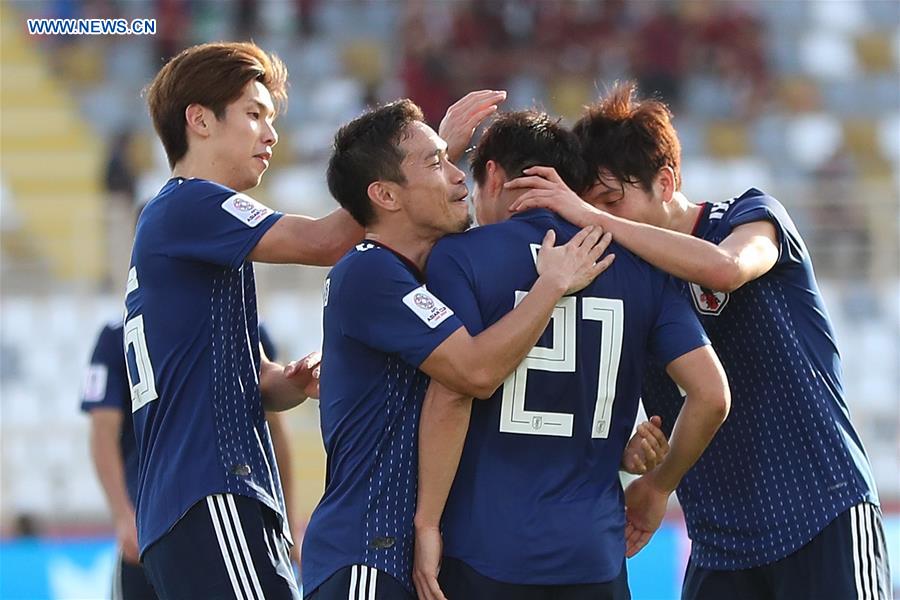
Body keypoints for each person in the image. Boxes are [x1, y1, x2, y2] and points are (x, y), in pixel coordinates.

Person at [506, 82, 892, 600]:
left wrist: (660, 485)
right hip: (720, 543)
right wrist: (633, 447)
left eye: (613, 201)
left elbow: (727, 269)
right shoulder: (627, 280)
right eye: (588, 206)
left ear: (665, 183)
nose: (599, 220)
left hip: (821, 511)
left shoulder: (749, 216)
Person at [301, 98, 614, 600]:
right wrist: (550, 287)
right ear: (384, 195)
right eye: (437, 162)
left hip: (407, 559)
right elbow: (473, 373)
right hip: (368, 554)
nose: (458, 176)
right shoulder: (369, 271)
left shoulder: (416, 272)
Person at [411, 110, 730, 600]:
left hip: (486, 549)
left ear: (493, 174)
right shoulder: (642, 265)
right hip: (593, 557)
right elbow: (711, 394)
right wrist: (657, 484)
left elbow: (453, 395)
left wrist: (427, 522)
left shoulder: (461, 256)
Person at [126, 42, 363, 599]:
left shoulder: (186, 225)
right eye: (254, 114)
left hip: (190, 505)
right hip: (211, 494)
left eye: (271, 119)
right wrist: (421, 166)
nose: (270, 134)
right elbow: (325, 241)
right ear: (200, 120)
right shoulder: (192, 204)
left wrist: (289, 382)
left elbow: (244, 379)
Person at [81, 320, 299, 599]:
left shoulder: (240, 318)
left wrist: (289, 525)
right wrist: (123, 517)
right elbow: (103, 429)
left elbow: (275, 429)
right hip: (158, 523)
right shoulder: (116, 338)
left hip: (218, 514)